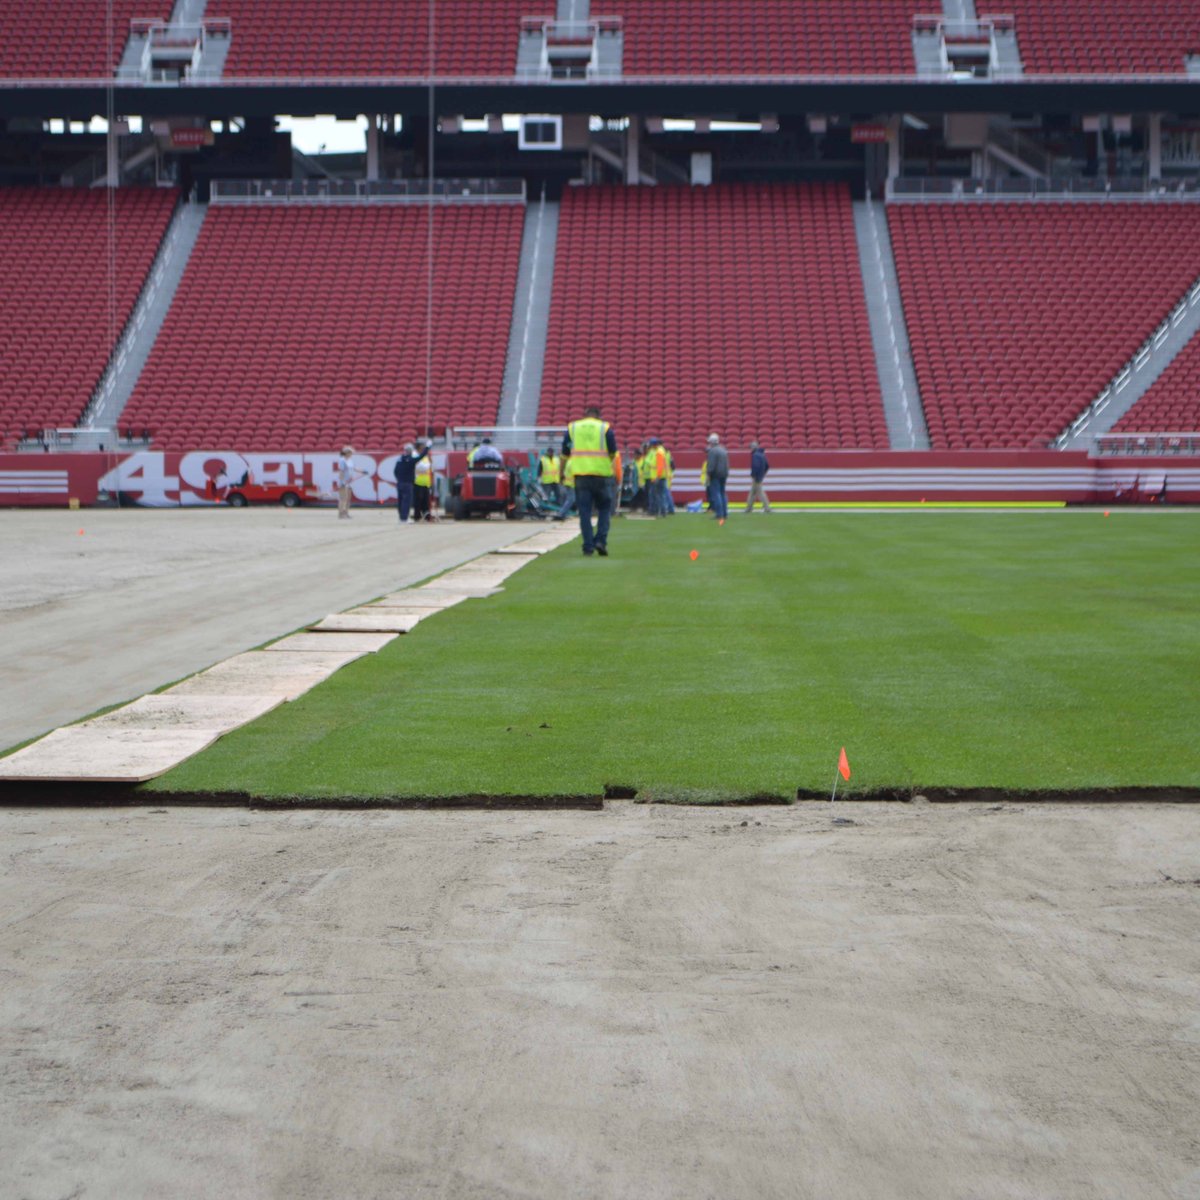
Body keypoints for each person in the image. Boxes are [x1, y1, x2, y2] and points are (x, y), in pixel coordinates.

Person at [562, 404, 617, 556]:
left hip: (581, 476)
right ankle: (600, 540)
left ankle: (588, 546)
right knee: (604, 509)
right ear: (598, 416)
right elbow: (613, 452)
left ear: (585, 415)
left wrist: (562, 473)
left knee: (584, 512)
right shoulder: (605, 428)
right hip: (601, 475)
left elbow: (564, 454)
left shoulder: (573, 428)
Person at [393, 440, 430, 524]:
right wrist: (427, 448)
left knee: (400, 501)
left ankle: (401, 518)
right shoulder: (411, 460)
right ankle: (404, 518)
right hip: (408, 483)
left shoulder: (400, 459)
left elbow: (395, 471)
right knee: (406, 501)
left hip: (400, 483)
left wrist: (398, 479)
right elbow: (421, 456)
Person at [706, 433, 729, 520]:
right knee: (723, 493)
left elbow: (711, 465)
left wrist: (708, 475)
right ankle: (724, 513)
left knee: (716, 494)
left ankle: (719, 513)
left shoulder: (712, 451)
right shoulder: (723, 450)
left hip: (715, 475)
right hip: (724, 474)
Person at [337, 445, 361, 520]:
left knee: (348, 498)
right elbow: (341, 472)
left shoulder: (350, 460)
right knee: (343, 498)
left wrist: (362, 471)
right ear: (346, 453)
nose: (352, 454)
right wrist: (342, 482)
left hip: (349, 482)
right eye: (350, 453)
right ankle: (341, 514)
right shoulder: (342, 460)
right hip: (343, 482)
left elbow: (354, 468)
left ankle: (346, 513)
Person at [746, 440, 771, 514]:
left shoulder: (755, 455)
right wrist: (763, 474)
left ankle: (767, 507)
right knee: (753, 492)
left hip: (756, 477)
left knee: (759, 492)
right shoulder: (762, 454)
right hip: (760, 476)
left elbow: (755, 466)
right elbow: (767, 466)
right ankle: (749, 508)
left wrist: (753, 475)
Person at [413, 442, 435, 522]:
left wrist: (431, 464)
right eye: (422, 448)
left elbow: (430, 468)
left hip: (426, 482)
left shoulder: (425, 457)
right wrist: (429, 463)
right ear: (418, 448)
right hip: (417, 482)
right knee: (418, 501)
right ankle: (417, 516)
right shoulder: (415, 456)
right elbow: (421, 468)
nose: (423, 450)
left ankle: (426, 516)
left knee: (426, 501)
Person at [556, 453, 577, 519]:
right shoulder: (573, 463)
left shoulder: (569, 461)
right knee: (571, 500)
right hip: (571, 484)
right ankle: (562, 513)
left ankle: (563, 513)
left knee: (570, 499)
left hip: (568, 483)